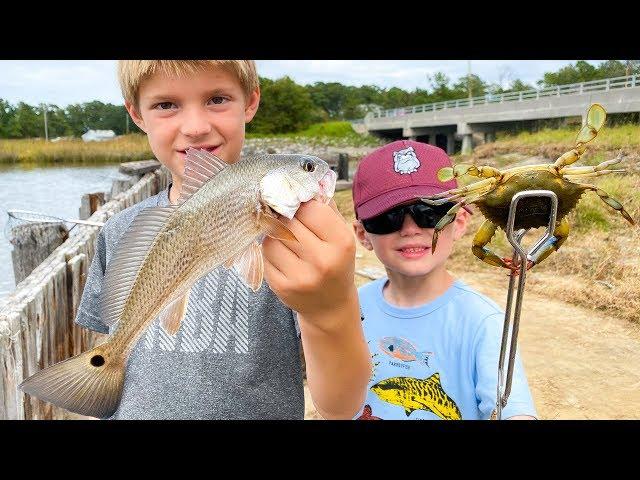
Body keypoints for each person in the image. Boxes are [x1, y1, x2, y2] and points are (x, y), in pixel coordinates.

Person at [74, 60, 371, 419]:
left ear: (250, 101)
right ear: (136, 114)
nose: (196, 128)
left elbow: (339, 407)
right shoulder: (120, 231)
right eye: (166, 105)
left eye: (217, 99)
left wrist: (333, 309)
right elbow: (103, 334)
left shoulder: (300, 242)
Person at [350, 140, 537, 420]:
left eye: (431, 213)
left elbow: (513, 411)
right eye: (389, 217)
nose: (411, 229)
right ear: (363, 234)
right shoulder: (351, 309)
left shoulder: (484, 322)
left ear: (460, 221)